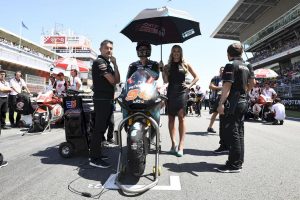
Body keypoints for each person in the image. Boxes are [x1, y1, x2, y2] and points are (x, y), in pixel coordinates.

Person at [216, 42, 255, 173]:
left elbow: (226, 87)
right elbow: (252, 83)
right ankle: (238, 161)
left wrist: (221, 103)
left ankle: (234, 164)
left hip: (233, 103)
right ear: (241, 53)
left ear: (229, 54)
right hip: (244, 101)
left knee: (233, 133)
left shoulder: (230, 65)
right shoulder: (248, 65)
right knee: (240, 132)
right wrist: (245, 92)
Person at [162, 45, 199, 157]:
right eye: (174, 51)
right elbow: (165, 81)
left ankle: (181, 146)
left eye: (178, 51)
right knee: (171, 119)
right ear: (171, 53)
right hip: (171, 92)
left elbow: (196, 77)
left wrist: (189, 86)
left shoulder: (185, 64)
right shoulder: (167, 66)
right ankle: (173, 144)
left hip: (182, 93)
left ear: (181, 53)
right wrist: (162, 71)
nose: (176, 53)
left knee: (181, 118)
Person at [90, 39, 120, 168]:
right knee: (98, 129)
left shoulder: (108, 64)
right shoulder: (99, 62)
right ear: (100, 49)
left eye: (111, 48)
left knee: (103, 128)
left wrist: (116, 64)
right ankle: (94, 158)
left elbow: (117, 80)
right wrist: (113, 68)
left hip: (107, 99)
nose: (109, 50)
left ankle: (98, 153)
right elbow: (113, 81)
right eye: (106, 48)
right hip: (101, 100)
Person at [124, 41, 161, 126]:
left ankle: (156, 124)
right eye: (140, 49)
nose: (142, 51)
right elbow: (128, 79)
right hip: (134, 92)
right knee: (124, 101)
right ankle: (125, 123)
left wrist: (145, 66)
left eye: (144, 49)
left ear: (149, 50)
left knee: (157, 101)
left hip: (149, 92)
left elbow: (156, 76)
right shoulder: (132, 65)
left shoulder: (154, 64)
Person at [207, 67, 224, 133]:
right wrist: (221, 88)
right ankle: (210, 127)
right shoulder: (216, 78)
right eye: (221, 70)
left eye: (224, 70)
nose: (222, 71)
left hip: (226, 98)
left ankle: (222, 129)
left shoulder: (228, 78)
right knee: (215, 113)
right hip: (217, 98)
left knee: (223, 114)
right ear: (219, 71)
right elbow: (210, 86)